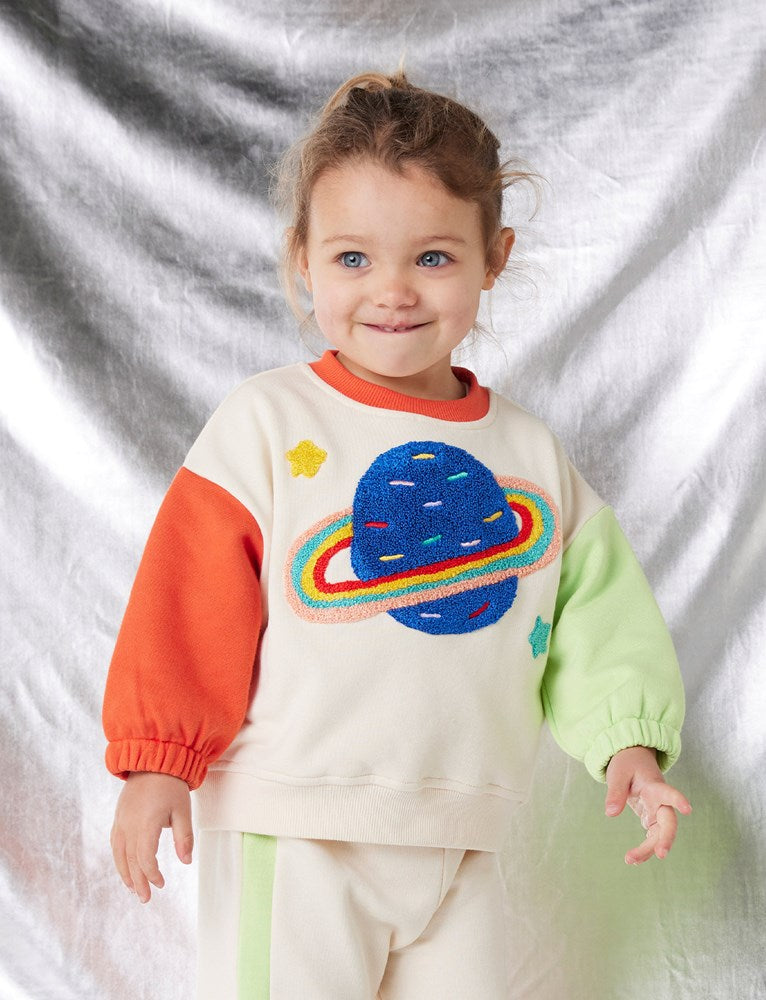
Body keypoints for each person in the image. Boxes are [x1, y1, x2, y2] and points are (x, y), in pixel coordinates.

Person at [103, 70, 691, 999]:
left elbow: (597, 617)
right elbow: (188, 599)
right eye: (352, 258)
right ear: (302, 257)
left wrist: (630, 746)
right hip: (296, 826)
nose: (392, 292)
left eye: (433, 258)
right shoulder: (268, 423)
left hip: (462, 839)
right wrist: (156, 761)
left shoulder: (530, 455)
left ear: (494, 257)